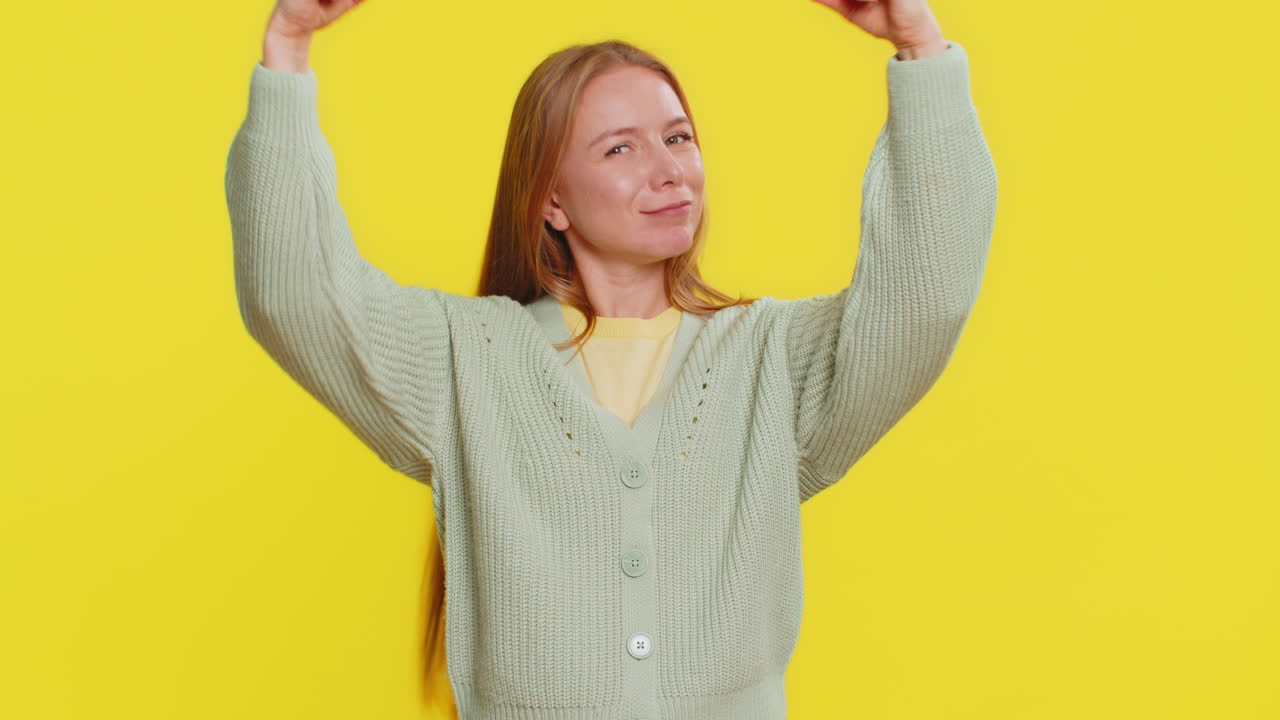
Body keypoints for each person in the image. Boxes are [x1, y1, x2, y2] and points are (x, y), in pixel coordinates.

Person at [224, 0, 997, 716]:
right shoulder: (465, 362)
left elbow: (922, 301)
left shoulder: (772, 362)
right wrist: (286, 52)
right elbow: (296, 296)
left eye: (678, 137)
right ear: (551, 200)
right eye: (620, 147)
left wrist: (919, 50)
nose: (668, 171)